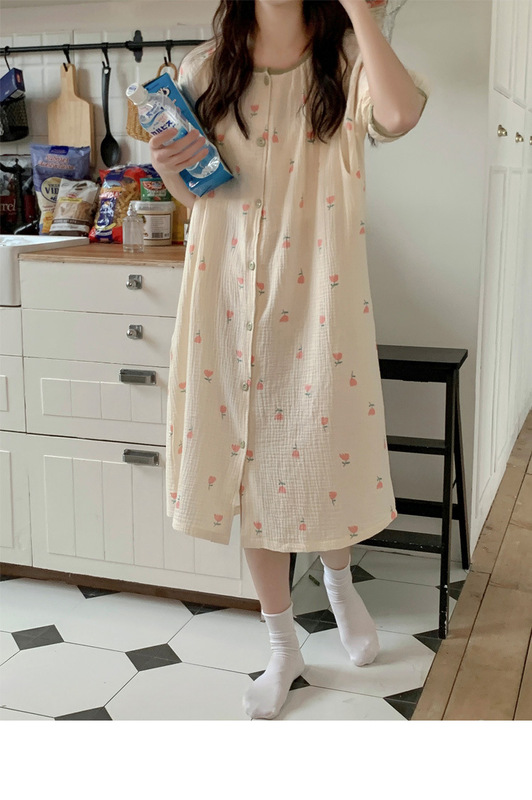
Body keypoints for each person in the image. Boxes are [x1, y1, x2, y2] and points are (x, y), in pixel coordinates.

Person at [150, 0, 430, 720]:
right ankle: (283, 647)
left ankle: (338, 582)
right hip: (225, 296)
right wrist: (166, 166)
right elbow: (195, 193)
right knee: (248, 471)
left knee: (318, 451)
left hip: (318, 299)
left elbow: (400, 115)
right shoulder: (205, 69)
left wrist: (361, 11)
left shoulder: (346, 60)